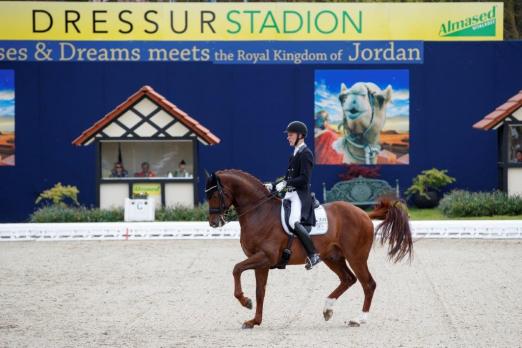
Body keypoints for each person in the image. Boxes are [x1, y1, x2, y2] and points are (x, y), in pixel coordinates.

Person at [265, 121, 321, 270]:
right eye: (288, 135)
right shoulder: (294, 154)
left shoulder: (306, 153)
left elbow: (304, 179)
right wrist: (275, 185)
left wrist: (286, 184)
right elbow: (288, 178)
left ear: (300, 136)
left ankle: (313, 254)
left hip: (300, 195)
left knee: (293, 221)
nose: (288, 138)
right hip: (290, 193)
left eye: (290, 135)